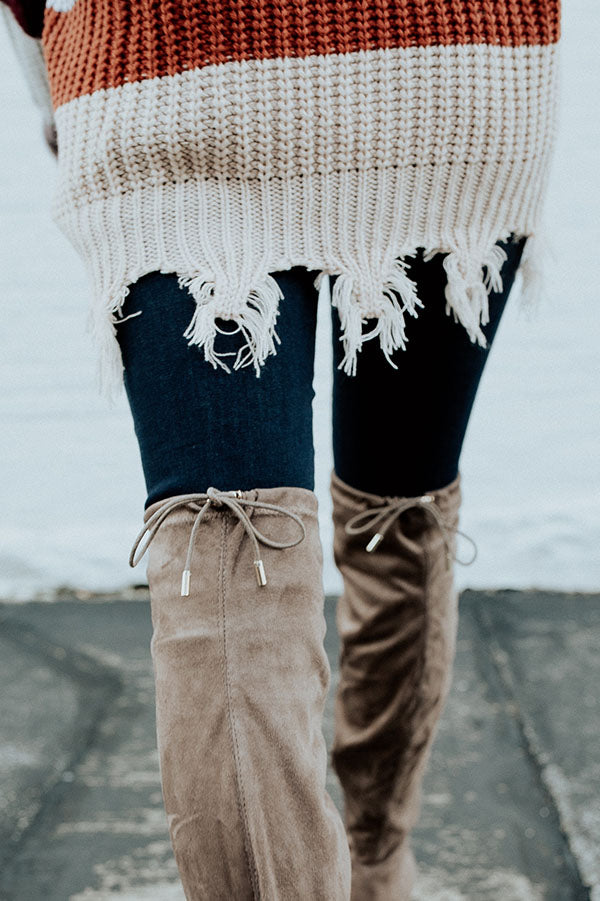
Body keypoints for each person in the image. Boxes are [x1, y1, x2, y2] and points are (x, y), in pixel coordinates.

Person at [2, 2, 562, 899]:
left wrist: (52, 84)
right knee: (393, 512)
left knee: (234, 552)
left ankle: (365, 861)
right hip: (447, 68)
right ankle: (378, 860)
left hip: (171, 75)